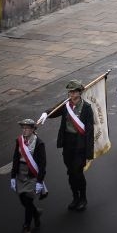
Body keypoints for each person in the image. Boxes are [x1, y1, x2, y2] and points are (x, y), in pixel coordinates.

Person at [37, 79, 94, 212]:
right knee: (70, 172)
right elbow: (54, 111)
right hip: (68, 142)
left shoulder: (86, 108)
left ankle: (83, 198)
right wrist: (46, 113)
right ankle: (75, 197)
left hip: (80, 144)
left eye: (73, 91)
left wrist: (89, 153)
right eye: (69, 91)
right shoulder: (66, 104)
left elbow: (90, 132)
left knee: (78, 172)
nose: (70, 94)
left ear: (79, 92)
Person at [11, 118, 46, 233]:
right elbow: (15, 158)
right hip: (20, 173)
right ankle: (36, 213)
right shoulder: (19, 141)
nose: (24, 130)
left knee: (28, 199)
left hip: (31, 175)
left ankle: (26, 227)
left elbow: (42, 164)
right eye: (23, 128)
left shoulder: (39, 143)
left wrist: (40, 182)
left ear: (32, 129)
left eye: (27, 128)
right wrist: (12, 176)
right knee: (23, 200)